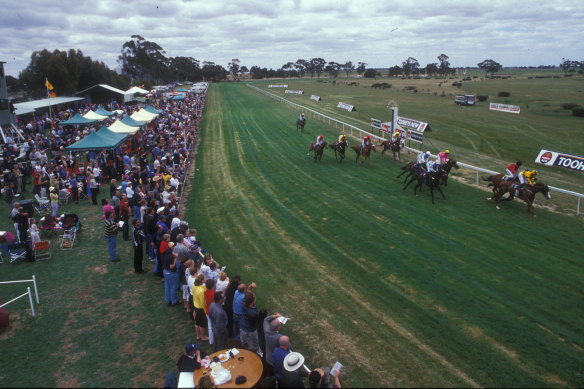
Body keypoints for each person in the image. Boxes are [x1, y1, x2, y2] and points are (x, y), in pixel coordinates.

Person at [240, 291, 262, 356]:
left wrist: (250, 288)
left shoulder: (244, 303)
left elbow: (246, 295)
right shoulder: (253, 313)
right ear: (252, 301)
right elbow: (257, 321)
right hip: (250, 331)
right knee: (254, 346)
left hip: (243, 327)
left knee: (244, 342)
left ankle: (245, 346)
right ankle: (253, 356)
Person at [192, 274, 209, 341]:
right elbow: (203, 303)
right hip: (200, 309)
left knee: (197, 322)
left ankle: (198, 336)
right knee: (202, 324)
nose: (205, 279)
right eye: (204, 279)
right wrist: (206, 311)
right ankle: (203, 337)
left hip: (195, 306)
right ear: (202, 281)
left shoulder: (194, 286)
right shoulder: (201, 291)